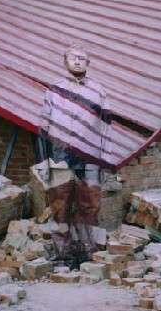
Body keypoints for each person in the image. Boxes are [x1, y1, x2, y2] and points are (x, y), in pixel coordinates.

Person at [37, 43, 112, 268]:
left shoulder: (98, 92)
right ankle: (64, 253)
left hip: (90, 158)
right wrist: (44, 161)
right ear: (65, 62)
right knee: (60, 205)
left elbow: (106, 128)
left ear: (89, 63)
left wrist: (106, 161)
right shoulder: (54, 90)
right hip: (60, 157)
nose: (77, 61)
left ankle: (87, 252)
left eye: (82, 58)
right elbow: (43, 127)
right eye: (73, 58)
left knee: (90, 205)